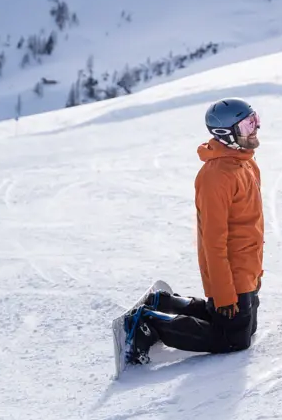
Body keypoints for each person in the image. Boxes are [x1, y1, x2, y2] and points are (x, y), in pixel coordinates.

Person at [117, 98, 265, 367]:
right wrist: (223, 292)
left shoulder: (246, 164)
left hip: (247, 268)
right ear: (225, 134)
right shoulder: (216, 177)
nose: (256, 128)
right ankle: (148, 323)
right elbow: (212, 242)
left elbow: (249, 225)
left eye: (255, 120)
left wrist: (255, 274)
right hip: (230, 272)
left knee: (245, 328)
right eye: (247, 125)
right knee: (234, 340)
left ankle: (166, 303)